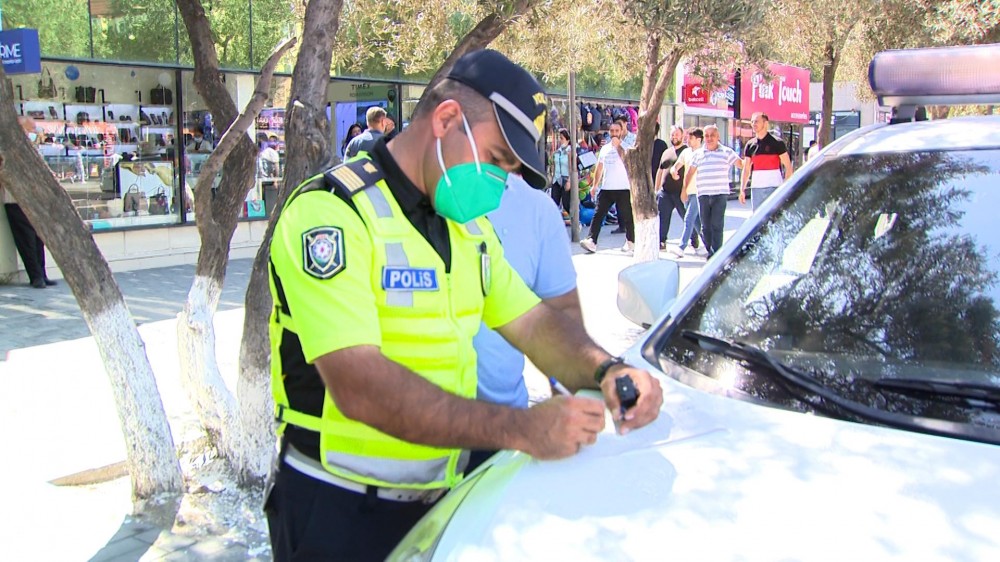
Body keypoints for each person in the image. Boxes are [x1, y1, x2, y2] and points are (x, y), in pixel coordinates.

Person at [264, 49, 663, 561]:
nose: (498, 184)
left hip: (443, 503)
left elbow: (537, 323)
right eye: (497, 160)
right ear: (447, 119)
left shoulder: (468, 231)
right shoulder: (331, 214)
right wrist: (520, 429)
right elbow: (359, 385)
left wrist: (608, 370)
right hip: (338, 514)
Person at [468, 172, 580, 471]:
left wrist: (568, 405)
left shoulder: (536, 208)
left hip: (500, 440)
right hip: (401, 449)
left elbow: (562, 315)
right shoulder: (399, 196)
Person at [683, 124, 743, 258]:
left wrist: (751, 162)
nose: (709, 138)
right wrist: (684, 190)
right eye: (707, 136)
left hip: (720, 194)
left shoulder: (727, 152)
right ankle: (711, 250)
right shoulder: (698, 154)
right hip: (703, 195)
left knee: (717, 224)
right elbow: (690, 173)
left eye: (712, 135)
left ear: (718, 137)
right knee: (705, 227)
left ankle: (716, 254)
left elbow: (741, 164)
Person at [579, 121, 634, 254]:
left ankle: (631, 242)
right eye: (612, 131)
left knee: (627, 216)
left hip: (623, 187)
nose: (614, 133)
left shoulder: (627, 146)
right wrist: (595, 185)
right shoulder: (605, 148)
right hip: (607, 187)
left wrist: (619, 146)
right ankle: (592, 240)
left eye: (617, 131)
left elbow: (628, 161)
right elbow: (599, 167)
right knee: (598, 214)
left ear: (621, 132)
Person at [740, 112, 793, 211]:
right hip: (756, 189)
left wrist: (785, 187)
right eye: (752, 121)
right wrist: (742, 189)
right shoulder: (750, 145)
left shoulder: (777, 143)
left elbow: (788, 166)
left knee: (774, 218)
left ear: (765, 123)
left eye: (756, 121)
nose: (753, 124)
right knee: (758, 220)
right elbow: (746, 169)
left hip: (774, 187)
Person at [668, 128, 704, 258]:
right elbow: (676, 165)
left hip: (698, 191)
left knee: (688, 218)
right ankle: (709, 244)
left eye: (691, 138)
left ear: (699, 140)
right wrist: (673, 171)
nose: (687, 140)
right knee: (696, 222)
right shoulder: (686, 152)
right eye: (687, 138)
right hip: (687, 192)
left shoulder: (704, 153)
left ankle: (681, 247)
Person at [653, 126, 691, 251]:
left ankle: (694, 239)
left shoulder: (687, 151)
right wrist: (656, 189)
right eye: (672, 135)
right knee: (663, 217)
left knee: (687, 217)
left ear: (682, 136)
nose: (674, 137)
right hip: (665, 192)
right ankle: (662, 241)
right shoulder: (666, 152)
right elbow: (660, 170)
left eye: (677, 134)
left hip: (681, 192)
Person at [551, 128, 572, 212]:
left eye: (562, 138)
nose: (560, 141)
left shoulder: (570, 151)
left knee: (566, 204)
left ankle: (575, 221)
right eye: (559, 138)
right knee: (553, 204)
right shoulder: (557, 152)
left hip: (566, 179)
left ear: (567, 140)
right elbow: (554, 165)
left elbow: (571, 167)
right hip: (556, 179)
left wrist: (569, 181)